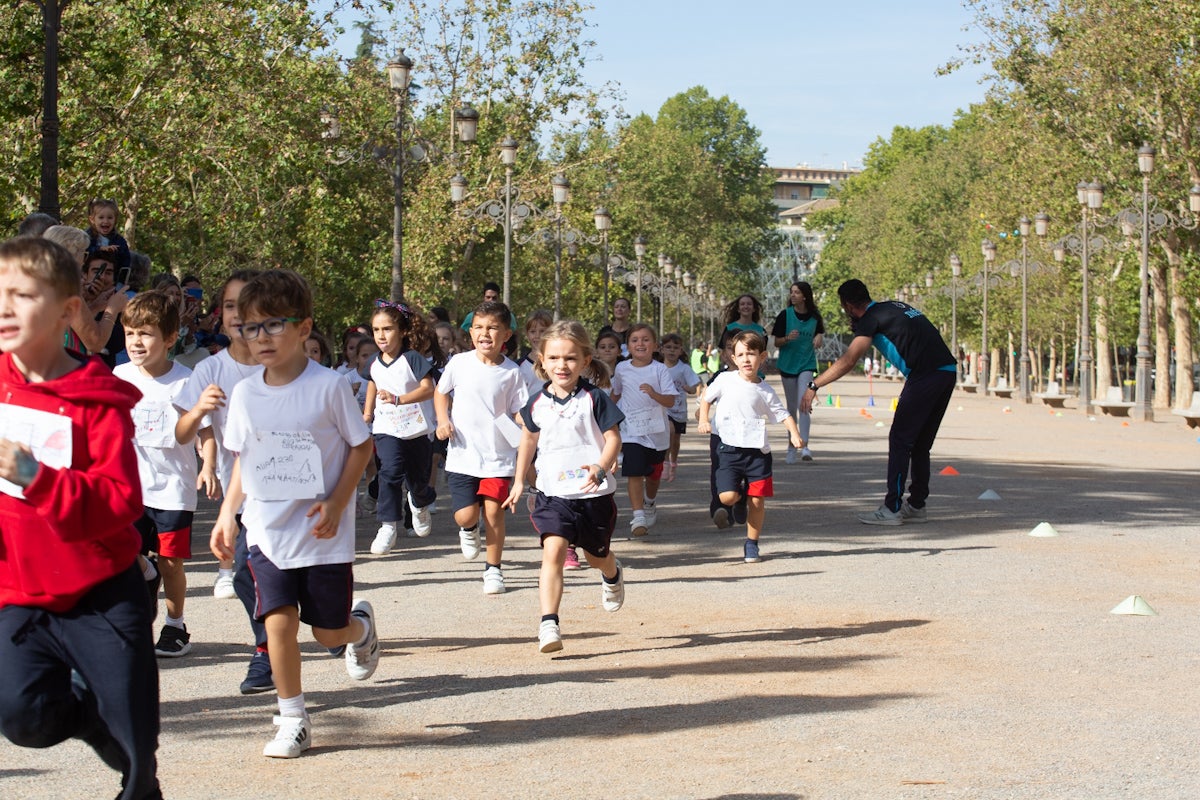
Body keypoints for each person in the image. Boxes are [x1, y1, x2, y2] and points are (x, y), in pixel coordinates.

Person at [0, 236, 162, 799]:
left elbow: (122, 501)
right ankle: (86, 719)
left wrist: (36, 477)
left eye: (21, 296)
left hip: (100, 590)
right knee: (22, 718)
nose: (4, 308)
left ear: (68, 310)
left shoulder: (100, 401)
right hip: (18, 592)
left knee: (138, 752)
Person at [210, 269, 378, 759]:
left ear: (304, 329)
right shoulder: (245, 394)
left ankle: (361, 629)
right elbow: (245, 457)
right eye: (250, 327)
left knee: (328, 632)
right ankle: (293, 718)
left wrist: (339, 500)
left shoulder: (326, 387)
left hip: (322, 534)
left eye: (273, 325)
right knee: (278, 623)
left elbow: (361, 446)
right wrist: (227, 515)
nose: (260, 337)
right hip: (266, 531)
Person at [502, 320, 626, 653]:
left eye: (570, 358)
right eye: (554, 358)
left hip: (593, 494)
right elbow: (528, 439)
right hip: (552, 494)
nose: (562, 365)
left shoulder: (594, 398)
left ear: (585, 360)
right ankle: (548, 624)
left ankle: (612, 574)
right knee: (553, 550)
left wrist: (601, 465)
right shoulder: (535, 403)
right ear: (541, 360)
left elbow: (613, 438)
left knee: (596, 556)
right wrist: (517, 481)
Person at [174, 270, 271, 693]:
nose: (238, 314)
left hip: (294, 491)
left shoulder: (284, 363)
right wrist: (198, 411)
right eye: (230, 306)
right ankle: (265, 652)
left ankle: (343, 627)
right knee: (250, 577)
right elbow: (182, 432)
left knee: (297, 589)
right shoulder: (211, 368)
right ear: (220, 313)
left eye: (248, 306)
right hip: (243, 493)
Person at [801, 279, 957, 525]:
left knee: (900, 440)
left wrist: (814, 385)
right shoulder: (896, 305)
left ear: (849, 306)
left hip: (925, 375)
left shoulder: (870, 319)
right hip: (947, 371)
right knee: (919, 444)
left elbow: (850, 359)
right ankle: (917, 505)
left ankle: (892, 509)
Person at [114, 291, 218, 658]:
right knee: (127, 557)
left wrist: (207, 465)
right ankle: (133, 622)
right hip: (129, 489)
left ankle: (176, 626)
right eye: (129, 334)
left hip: (173, 489)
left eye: (145, 334)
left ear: (170, 339)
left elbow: (204, 431)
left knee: (171, 563)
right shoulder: (119, 375)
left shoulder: (185, 380)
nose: (136, 342)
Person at [434, 300, 528, 593]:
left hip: (498, 456)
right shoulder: (459, 363)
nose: (484, 333)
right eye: (478, 327)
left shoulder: (512, 372)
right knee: (466, 515)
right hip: (463, 454)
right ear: (470, 332)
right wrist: (442, 420)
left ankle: (493, 570)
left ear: (506, 335)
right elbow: (441, 394)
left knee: (493, 513)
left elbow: (518, 410)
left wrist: (526, 426)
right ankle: (468, 529)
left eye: (492, 328)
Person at [698, 330, 803, 563]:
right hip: (728, 450)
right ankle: (740, 495)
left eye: (752, 354)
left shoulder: (764, 389)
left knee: (757, 501)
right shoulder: (725, 380)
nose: (746, 359)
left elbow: (783, 413)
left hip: (757, 453)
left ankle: (752, 543)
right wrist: (704, 420)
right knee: (726, 497)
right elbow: (706, 397)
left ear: (762, 357)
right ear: (733, 358)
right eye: (741, 354)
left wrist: (794, 434)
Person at [363, 299, 440, 555]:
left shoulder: (412, 358)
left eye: (387, 329)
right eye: (376, 330)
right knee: (390, 472)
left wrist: (400, 400)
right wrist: (367, 411)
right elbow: (373, 380)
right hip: (386, 427)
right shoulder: (374, 361)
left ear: (402, 331)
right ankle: (387, 526)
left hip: (415, 428)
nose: (381, 335)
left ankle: (419, 504)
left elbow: (428, 388)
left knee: (418, 480)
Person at [611, 323, 676, 537]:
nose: (640, 343)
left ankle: (649, 503)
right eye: (635, 340)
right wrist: (603, 416)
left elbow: (669, 401)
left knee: (654, 474)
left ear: (655, 346)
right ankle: (638, 515)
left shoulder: (659, 369)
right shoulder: (621, 368)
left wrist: (653, 393)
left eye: (646, 339)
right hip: (632, 431)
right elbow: (616, 393)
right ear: (627, 346)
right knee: (634, 471)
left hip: (657, 432)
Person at [771, 281, 825, 463]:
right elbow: (776, 342)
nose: (792, 295)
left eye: (796, 292)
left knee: (804, 403)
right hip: (787, 365)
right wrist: (787, 338)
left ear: (805, 296)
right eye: (791, 292)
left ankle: (806, 447)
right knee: (791, 407)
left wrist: (819, 337)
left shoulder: (815, 317)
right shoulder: (784, 316)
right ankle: (791, 446)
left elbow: (820, 333)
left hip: (807, 364)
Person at [660, 332, 701, 482]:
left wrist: (688, 389)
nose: (671, 350)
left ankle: (673, 463)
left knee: (675, 439)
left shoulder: (684, 368)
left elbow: (694, 386)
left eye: (675, 348)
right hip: (664, 408)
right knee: (668, 431)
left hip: (679, 410)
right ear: (662, 349)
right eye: (668, 347)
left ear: (680, 350)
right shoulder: (658, 367)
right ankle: (664, 462)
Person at [85, 198, 131, 274]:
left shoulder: (119, 241)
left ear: (115, 220)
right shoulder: (86, 238)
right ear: (92, 219)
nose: (105, 221)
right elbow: (83, 252)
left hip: (112, 280)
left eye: (110, 218)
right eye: (101, 217)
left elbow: (125, 262)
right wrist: (99, 249)